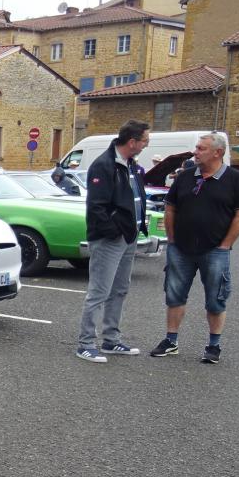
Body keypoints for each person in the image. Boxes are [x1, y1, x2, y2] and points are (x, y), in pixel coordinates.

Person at [150, 132, 239, 364]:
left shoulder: (235, 180)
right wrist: (172, 240)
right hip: (181, 248)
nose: (195, 152)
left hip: (215, 250)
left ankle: (213, 346)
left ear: (218, 152)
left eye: (201, 148)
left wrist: (225, 245)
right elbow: (170, 209)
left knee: (216, 299)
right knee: (174, 295)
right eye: (196, 147)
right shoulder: (185, 176)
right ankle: (171, 341)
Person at [76, 119, 150, 363]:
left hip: (129, 236)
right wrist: (113, 231)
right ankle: (86, 344)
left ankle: (111, 340)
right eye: (144, 141)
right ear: (132, 142)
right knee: (99, 292)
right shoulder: (104, 165)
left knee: (119, 289)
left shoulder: (130, 164)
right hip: (111, 239)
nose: (146, 145)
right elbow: (96, 207)